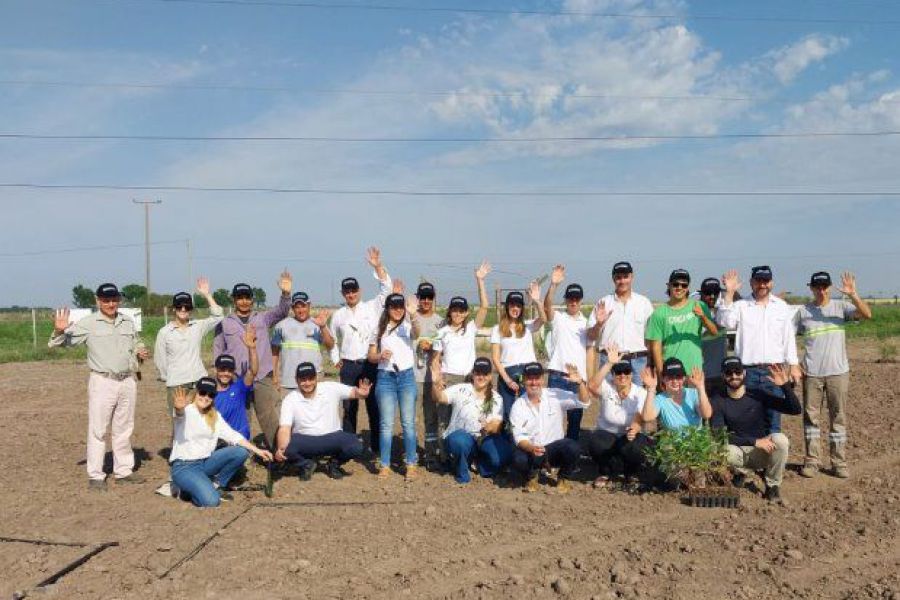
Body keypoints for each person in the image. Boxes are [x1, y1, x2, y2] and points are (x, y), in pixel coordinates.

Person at [49, 283, 150, 491]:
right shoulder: (88, 323)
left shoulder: (127, 322)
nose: (111, 303)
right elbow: (60, 343)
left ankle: (123, 471)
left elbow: (136, 342)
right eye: (106, 300)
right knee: (98, 430)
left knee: (124, 429)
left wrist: (140, 351)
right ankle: (96, 476)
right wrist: (59, 330)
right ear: (98, 301)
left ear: (119, 300)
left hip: (127, 381)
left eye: (114, 299)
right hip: (103, 382)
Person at [795, 271, 871, 479]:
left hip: (838, 373)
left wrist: (853, 294)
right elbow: (787, 337)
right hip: (812, 374)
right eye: (817, 286)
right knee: (811, 419)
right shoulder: (803, 312)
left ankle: (839, 462)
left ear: (829, 287)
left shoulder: (841, 307)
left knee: (838, 417)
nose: (821, 290)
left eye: (825, 286)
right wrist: (794, 363)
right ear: (810, 287)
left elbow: (866, 314)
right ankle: (812, 460)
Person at [213, 271, 293, 448]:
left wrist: (286, 294)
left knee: (270, 417)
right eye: (239, 298)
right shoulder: (225, 323)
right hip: (236, 379)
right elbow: (218, 349)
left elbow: (282, 311)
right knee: (239, 418)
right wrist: (220, 374)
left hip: (262, 376)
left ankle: (279, 454)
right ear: (234, 300)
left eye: (247, 297)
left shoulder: (263, 318)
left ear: (252, 300)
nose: (244, 301)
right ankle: (239, 456)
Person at [717, 266, 801, 434]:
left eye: (766, 281)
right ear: (751, 283)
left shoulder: (782, 306)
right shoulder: (741, 306)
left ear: (772, 283)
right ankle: (752, 458)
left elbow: (788, 338)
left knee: (773, 422)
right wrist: (729, 293)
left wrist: (794, 365)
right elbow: (724, 321)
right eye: (758, 281)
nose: (762, 285)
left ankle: (773, 459)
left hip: (774, 372)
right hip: (748, 373)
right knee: (748, 419)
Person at [710, 357, 801, 504]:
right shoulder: (717, 400)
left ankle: (772, 485)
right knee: (720, 449)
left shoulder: (758, 394)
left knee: (781, 440)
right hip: (737, 451)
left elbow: (795, 410)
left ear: (744, 373)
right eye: (728, 373)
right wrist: (754, 441)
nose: (734, 376)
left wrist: (785, 386)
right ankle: (740, 472)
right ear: (723, 376)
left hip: (761, 452)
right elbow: (719, 435)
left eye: (737, 371)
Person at [169, 379, 273, 507]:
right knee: (212, 501)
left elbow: (233, 436)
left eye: (211, 395)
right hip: (185, 467)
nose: (206, 397)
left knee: (240, 452)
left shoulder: (214, 416)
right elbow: (179, 414)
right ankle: (186, 490)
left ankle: (216, 484)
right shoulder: (187, 411)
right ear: (196, 393)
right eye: (202, 392)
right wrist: (178, 408)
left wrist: (258, 450)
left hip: (205, 462)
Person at [329, 247, 393, 456]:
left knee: (374, 406)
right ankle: (349, 447)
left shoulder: (372, 307)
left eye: (354, 291)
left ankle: (376, 447)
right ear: (343, 294)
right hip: (348, 367)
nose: (351, 294)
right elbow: (331, 340)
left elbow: (387, 289)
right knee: (349, 409)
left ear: (360, 291)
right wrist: (336, 358)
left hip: (370, 364)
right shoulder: (338, 315)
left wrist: (377, 266)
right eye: (347, 292)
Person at [273, 362, 370, 481]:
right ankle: (306, 464)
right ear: (296, 380)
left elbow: (354, 392)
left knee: (356, 445)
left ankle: (333, 464)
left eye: (310, 378)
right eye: (303, 379)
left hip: (332, 437)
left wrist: (362, 394)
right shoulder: (290, 399)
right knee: (284, 447)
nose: (307, 383)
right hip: (305, 439)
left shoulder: (330, 387)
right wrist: (281, 448)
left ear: (316, 378)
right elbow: (284, 428)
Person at [509, 362, 592, 493]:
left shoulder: (555, 395)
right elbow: (519, 438)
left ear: (543, 379)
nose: (534, 382)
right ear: (524, 380)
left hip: (554, 450)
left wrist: (580, 383)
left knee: (573, 447)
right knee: (518, 459)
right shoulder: (518, 406)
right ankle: (532, 476)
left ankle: (563, 478)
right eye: (530, 378)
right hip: (532, 450)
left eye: (537, 378)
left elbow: (584, 402)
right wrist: (532, 448)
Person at [368, 292, 421, 479]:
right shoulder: (379, 329)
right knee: (386, 424)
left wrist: (413, 314)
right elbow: (371, 356)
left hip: (406, 377)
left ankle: (411, 464)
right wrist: (379, 356)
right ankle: (384, 464)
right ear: (388, 309)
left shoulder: (407, 326)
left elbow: (417, 333)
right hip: (385, 378)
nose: (398, 310)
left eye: (401, 307)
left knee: (408, 423)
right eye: (394, 307)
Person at [434, 357, 511, 484]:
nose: (481, 377)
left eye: (485, 374)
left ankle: (481, 465)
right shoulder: (460, 389)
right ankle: (462, 472)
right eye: (478, 373)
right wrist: (435, 384)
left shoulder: (497, 398)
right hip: (462, 436)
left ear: (490, 376)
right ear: (473, 374)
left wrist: (490, 426)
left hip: (483, 438)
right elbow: (439, 398)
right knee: (459, 442)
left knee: (502, 455)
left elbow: (497, 425)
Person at [154, 277, 223, 418]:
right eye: (179, 306)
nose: (183, 309)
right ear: (174, 308)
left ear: (191, 309)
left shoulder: (198, 326)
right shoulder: (164, 332)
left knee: (203, 420)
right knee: (179, 424)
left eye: (187, 306)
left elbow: (218, 316)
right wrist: (172, 377)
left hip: (199, 382)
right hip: (177, 385)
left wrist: (207, 295)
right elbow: (160, 360)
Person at [585, 344, 651, 489]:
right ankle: (605, 472)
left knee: (638, 445)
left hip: (628, 436)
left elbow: (641, 415)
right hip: (608, 435)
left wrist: (635, 427)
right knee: (595, 441)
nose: (622, 376)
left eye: (626, 372)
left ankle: (630, 474)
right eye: (618, 373)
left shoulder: (640, 392)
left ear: (632, 374)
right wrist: (609, 363)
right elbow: (591, 386)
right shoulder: (608, 387)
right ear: (613, 375)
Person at [586, 261, 654, 386]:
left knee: (638, 402)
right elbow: (590, 336)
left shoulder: (644, 303)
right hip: (609, 361)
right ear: (613, 279)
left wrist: (650, 364)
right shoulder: (603, 303)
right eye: (618, 277)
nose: (622, 281)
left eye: (625, 277)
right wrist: (599, 324)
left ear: (632, 277)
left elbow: (651, 338)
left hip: (638, 362)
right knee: (610, 402)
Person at [543, 264, 590, 440]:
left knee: (575, 421)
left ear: (581, 301)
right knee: (551, 418)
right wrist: (553, 284)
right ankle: (550, 455)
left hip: (578, 378)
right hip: (557, 376)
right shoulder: (559, 319)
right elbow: (547, 306)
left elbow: (590, 351)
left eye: (577, 298)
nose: (573, 301)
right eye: (570, 298)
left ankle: (570, 458)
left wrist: (588, 378)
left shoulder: (587, 324)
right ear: (566, 300)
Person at [645, 269, 718, 378]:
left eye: (684, 285)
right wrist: (661, 374)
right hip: (671, 373)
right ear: (668, 285)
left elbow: (714, 332)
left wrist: (703, 317)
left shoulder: (699, 305)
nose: (679, 288)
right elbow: (655, 347)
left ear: (688, 288)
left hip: (694, 372)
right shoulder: (659, 313)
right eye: (675, 284)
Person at [490, 281, 546, 421]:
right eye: (512, 305)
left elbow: (544, 319)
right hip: (507, 374)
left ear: (522, 308)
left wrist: (537, 301)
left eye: (518, 305)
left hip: (528, 372)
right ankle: (509, 442)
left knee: (529, 411)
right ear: (507, 306)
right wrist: (508, 380)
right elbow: (496, 359)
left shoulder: (528, 326)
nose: (515, 308)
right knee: (508, 414)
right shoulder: (497, 329)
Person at [432, 261, 491, 388]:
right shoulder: (440, 332)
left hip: (469, 378)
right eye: (454, 310)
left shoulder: (471, 328)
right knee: (445, 409)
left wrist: (480, 280)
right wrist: (438, 378)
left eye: (461, 311)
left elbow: (485, 307)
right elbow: (435, 359)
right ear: (450, 312)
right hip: (449, 378)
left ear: (466, 313)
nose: (458, 314)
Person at [271, 291, 334, 393]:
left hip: (313, 381)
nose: (301, 310)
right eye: (297, 307)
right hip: (289, 383)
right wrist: (274, 376)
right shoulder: (281, 326)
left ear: (309, 306)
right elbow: (274, 353)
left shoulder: (318, 324)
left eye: (303, 306)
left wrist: (323, 327)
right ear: (292, 308)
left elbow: (330, 345)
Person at [411, 281, 446, 468]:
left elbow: (447, 349)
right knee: (412, 419)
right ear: (417, 298)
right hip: (413, 377)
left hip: (431, 378)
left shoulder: (440, 322)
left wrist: (432, 347)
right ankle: (412, 454)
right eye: (422, 297)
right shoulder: (410, 318)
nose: (425, 301)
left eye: (429, 297)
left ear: (433, 298)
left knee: (431, 419)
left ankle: (431, 455)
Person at [641, 358, 712, 431]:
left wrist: (701, 387)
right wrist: (651, 388)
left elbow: (706, 415)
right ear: (663, 379)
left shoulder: (693, 393)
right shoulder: (660, 398)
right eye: (670, 377)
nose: (675, 381)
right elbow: (647, 417)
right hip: (672, 441)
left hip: (696, 440)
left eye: (678, 377)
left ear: (684, 378)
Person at [696, 277, 729, 394]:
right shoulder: (694, 312)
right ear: (701, 294)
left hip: (722, 373)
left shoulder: (724, 311)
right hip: (700, 374)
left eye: (716, 292)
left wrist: (729, 289)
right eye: (708, 293)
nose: (712, 296)